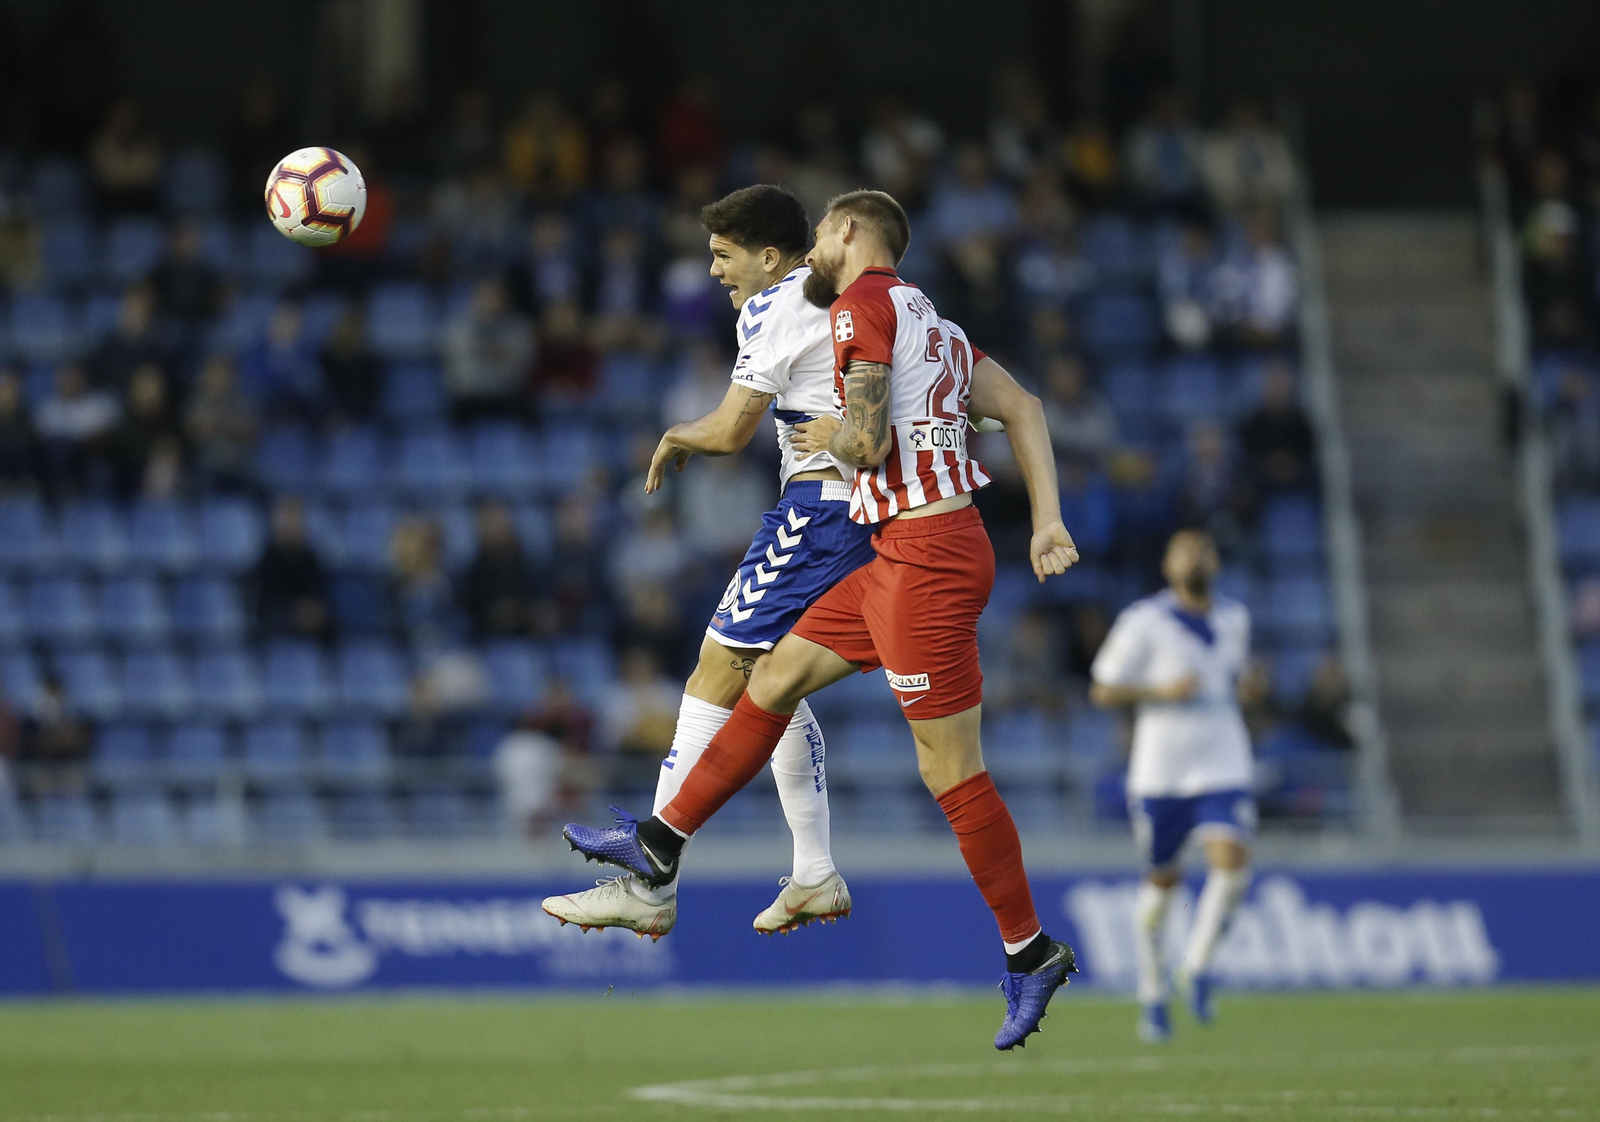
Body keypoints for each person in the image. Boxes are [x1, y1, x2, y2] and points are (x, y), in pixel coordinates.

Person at [561, 190, 1082, 1050]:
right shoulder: (932, 320)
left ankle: (1030, 953)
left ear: (846, 230)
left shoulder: (860, 307)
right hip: (900, 552)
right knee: (773, 677)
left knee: (952, 773)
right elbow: (1022, 405)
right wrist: (1047, 520)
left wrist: (829, 433)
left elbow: (866, 444)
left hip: (926, 565)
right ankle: (659, 842)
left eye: (821, 238)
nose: (812, 253)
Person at [541, 185, 871, 942]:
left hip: (819, 515)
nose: (716, 272)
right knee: (771, 679)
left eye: (724, 256)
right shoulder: (851, 298)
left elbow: (728, 431)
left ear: (769, 256)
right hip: (858, 511)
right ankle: (814, 869)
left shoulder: (778, 303)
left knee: (713, 671)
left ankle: (650, 879)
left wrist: (674, 435)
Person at [1088, 529, 1255, 1043]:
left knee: (1232, 864)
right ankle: (1153, 991)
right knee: (1163, 884)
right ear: (1167, 566)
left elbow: (1232, 680)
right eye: (1185, 551)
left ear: (1216, 563)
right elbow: (1102, 688)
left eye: (1205, 550)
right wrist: (1160, 691)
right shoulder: (1145, 620)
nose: (1196, 558)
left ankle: (1197, 968)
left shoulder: (1235, 619)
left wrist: (1250, 689)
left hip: (1223, 763)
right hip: (1162, 771)